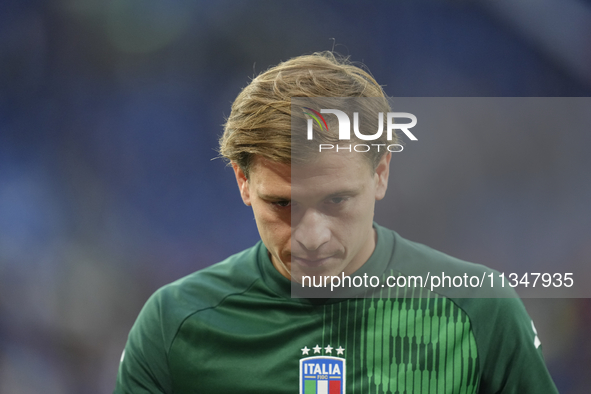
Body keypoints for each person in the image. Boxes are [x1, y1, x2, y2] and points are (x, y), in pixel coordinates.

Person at [114, 52, 558, 393]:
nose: (311, 236)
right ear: (243, 182)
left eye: (336, 200)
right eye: (283, 205)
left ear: (381, 173)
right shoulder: (174, 324)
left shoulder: (480, 309)